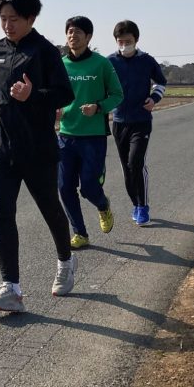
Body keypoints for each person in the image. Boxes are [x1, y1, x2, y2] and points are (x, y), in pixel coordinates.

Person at [0, 0, 76, 312]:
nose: (8, 25)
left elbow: (65, 95)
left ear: (31, 18)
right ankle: (11, 289)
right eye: (3, 19)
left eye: (14, 19)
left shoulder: (45, 51)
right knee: (2, 212)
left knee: (50, 208)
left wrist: (32, 95)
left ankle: (66, 261)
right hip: (1, 148)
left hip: (37, 149)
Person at [58, 16, 124, 248]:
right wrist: (56, 109)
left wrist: (98, 107)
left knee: (88, 187)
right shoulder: (61, 65)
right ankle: (80, 233)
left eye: (77, 32)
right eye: (69, 31)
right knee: (65, 188)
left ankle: (103, 205)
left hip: (93, 137)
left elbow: (117, 95)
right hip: (66, 135)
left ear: (88, 37)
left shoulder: (101, 64)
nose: (72, 36)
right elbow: (55, 95)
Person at [107, 19, 166, 226]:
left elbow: (161, 82)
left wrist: (154, 98)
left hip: (141, 120)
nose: (124, 45)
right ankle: (135, 203)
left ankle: (143, 206)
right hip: (119, 121)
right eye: (120, 41)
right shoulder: (109, 62)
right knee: (126, 167)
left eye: (128, 41)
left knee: (136, 163)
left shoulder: (147, 61)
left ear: (136, 40)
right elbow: (101, 86)